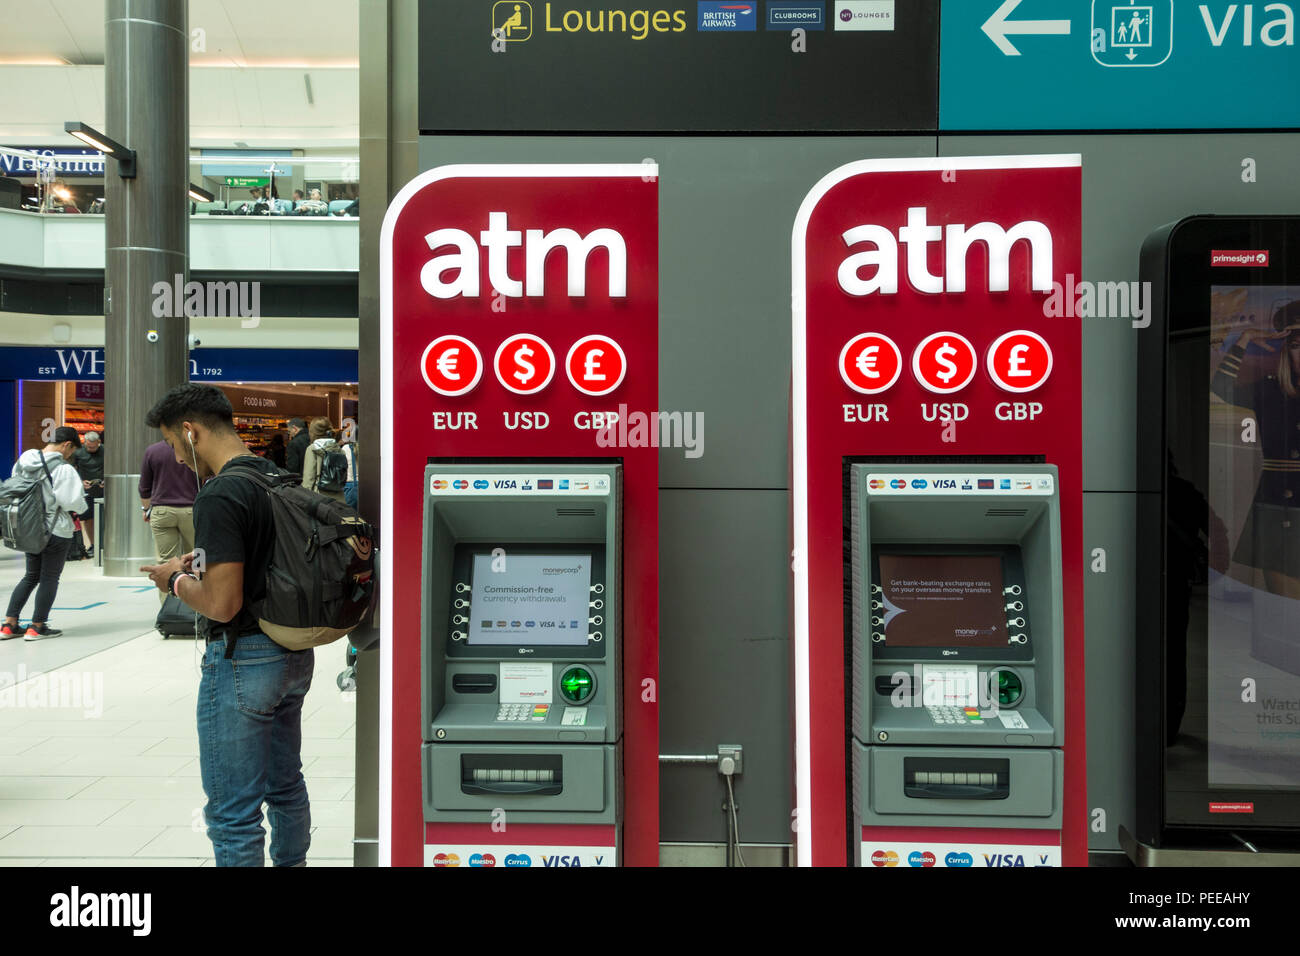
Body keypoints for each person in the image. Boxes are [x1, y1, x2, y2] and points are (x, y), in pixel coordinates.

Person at [139, 384, 313, 867]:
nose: (175, 457)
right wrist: (197, 562)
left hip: (245, 660)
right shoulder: (278, 477)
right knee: (285, 785)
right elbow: (262, 558)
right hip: (294, 653)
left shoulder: (219, 493)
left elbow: (220, 603)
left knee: (232, 809)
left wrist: (174, 578)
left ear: (191, 432)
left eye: (174, 444)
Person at [1209, 305, 1300, 600]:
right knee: (1285, 609)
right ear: (1287, 350)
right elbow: (1221, 386)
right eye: (1297, 345)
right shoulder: (1271, 390)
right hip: (1277, 503)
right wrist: (1245, 338)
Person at [2, 427, 86, 640]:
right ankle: (37, 627)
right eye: (72, 450)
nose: (70, 455)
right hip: (55, 530)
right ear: (66, 445)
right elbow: (72, 502)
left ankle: (9, 625)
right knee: (49, 577)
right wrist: (81, 504)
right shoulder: (63, 469)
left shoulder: (22, 462)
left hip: (29, 528)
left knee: (31, 575)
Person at [139, 438, 198, 573]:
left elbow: (144, 487)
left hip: (162, 511)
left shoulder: (152, 451)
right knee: (197, 557)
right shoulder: (194, 449)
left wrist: (146, 509)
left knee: (166, 562)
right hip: (193, 509)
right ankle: (199, 591)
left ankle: (168, 593)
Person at [72, 430, 104, 557]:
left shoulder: (106, 450)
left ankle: (104, 544)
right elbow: (72, 470)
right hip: (86, 491)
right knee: (88, 519)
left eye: (94, 447)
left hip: (104, 490)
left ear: (99, 443)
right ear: (84, 443)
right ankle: (94, 545)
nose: (91, 449)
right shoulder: (78, 452)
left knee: (106, 518)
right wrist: (80, 482)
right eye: (89, 447)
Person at [301, 417, 347, 503]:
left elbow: (309, 479)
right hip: (339, 498)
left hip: (319, 499)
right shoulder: (340, 450)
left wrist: (304, 500)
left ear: (313, 432)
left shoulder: (312, 449)